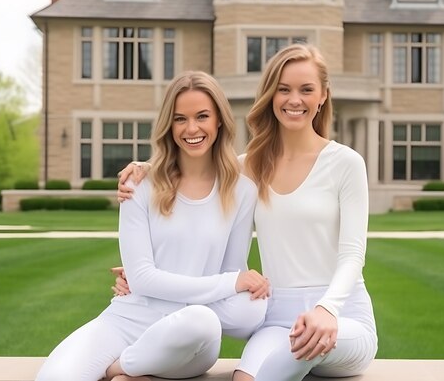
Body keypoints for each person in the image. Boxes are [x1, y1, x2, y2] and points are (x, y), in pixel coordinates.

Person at [116, 43, 377, 381]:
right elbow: (196, 166)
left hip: (343, 318)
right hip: (276, 318)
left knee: (293, 351)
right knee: (245, 377)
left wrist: (327, 310)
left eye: (306, 89)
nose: (294, 99)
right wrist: (145, 167)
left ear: (323, 95)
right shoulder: (250, 167)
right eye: (283, 89)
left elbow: (353, 254)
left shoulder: (346, 163)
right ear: (270, 95)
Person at [36, 71, 269, 381]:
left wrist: (236, 285)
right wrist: (232, 283)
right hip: (129, 318)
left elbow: (230, 275)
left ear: (219, 121)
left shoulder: (242, 191)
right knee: (54, 378)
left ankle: (120, 368)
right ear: (168, 125)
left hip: (190, 337)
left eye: (202, 116)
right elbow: (144, 280)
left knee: (221, 315)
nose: (192, 128)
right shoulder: (139, 183)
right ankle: (141, 369)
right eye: (180, 119)